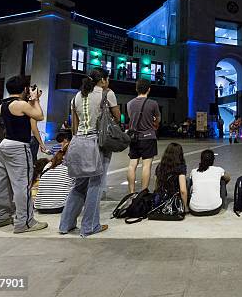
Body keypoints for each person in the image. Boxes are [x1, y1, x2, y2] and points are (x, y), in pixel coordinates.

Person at [59, 68, 121, 237]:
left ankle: (66, 224)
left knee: (79, 184)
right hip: (97, 143)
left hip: (78, 142)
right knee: (96, 184)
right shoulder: (107, 94)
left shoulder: (77, 97)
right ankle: (90, 226)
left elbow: (75, 126)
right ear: (103, 80)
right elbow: (117, 116)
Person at [0, 76, 48, 233]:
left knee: (1, 183)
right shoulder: (21, 104)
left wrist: (31, 100)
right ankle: (25, 222)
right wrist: (35, 100)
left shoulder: (3, 105)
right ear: (24, 89)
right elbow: (39, 116)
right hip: (18, 147)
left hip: (4, 145)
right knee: (22, 184)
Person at [126, 78, 161, 194]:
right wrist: (154, 123)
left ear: (136, 89)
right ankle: (143, 192)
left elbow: (131, 118)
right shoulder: (153, 104)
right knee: (146, 166)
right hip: (148, 137)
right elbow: (157, 120)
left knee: (132, 165)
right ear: (149, 90)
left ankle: (131, 192)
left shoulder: (129, 104)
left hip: (134, 138)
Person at [34, 132, 75, 214]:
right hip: (59, 207)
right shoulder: (70, 168)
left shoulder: (47, 166)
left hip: (40, 207)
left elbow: (49, 152)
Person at [188, 149, 230, 215]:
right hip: (214, 208)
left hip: (195, 209)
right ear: (213, 160)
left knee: (190, 180)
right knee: (222, 181)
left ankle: (192, 200)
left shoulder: (194, 171)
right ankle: (222, 202)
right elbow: (228, 178)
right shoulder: (218, 170)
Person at [154, 143, 188, 211]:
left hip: (160, 202)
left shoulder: (159, 167)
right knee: (188, 181)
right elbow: (183, 190)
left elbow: (156, 185)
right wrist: (184, 207)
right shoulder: (181, 168)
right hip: (174, 203)